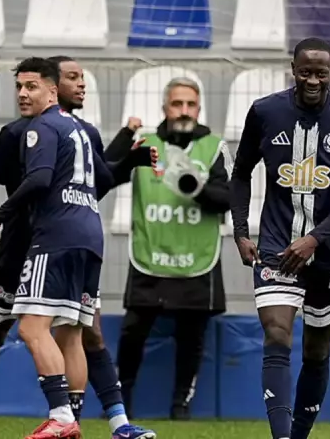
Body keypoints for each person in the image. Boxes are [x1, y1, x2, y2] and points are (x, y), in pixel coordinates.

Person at [0, 57, 157, 439]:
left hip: (55, 243)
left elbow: (96, 179)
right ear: (54, 84)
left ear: (46, 88)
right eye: (73, 77)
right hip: (20, 252)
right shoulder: (17, 134)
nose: (81, 84)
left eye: (82, 77)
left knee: (80, 332)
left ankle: (85, 420)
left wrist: (130, 158)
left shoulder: (79, 130)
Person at [229, 37, 330, 439]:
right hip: (276, 246)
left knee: (316, 350)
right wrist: (241, 231)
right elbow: (240, 174)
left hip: (329, 250)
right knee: (277, 333)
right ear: (293, 70)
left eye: (321, 73)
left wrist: (314, 238)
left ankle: (298, 435)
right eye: (305, 72)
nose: (313, 80)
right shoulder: (265, 111)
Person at [109, 77, 231, 420]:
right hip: (151, 256)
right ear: (165, 108)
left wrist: (196, 187)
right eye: (177, 104)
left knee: (191, 339)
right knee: (133, 334)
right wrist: (124, 135)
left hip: (197, 259)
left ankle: (181, 408)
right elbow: (105, 171)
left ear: (199, 108)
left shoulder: (214, 146)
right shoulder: (146, 143)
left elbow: (229, 200)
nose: (184, 111)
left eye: (190, 104)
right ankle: (120, 407)